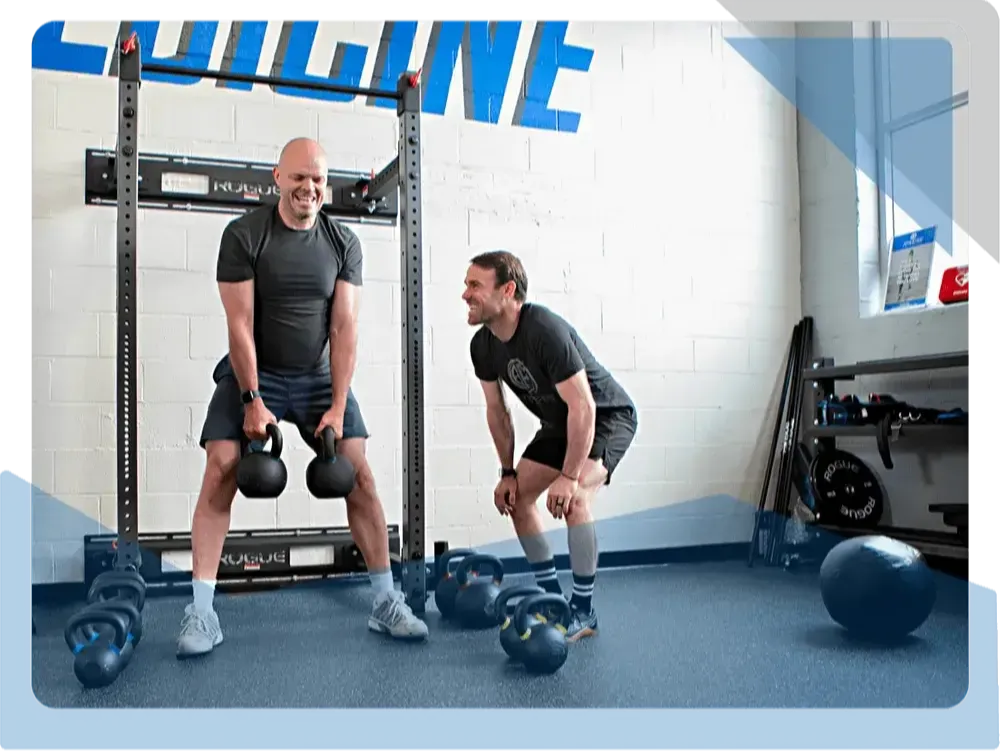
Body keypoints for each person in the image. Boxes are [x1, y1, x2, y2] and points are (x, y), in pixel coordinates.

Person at [177, 137, 428, 658]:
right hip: (257, 373)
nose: (309, 188)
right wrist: (251, 398)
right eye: (298, 178)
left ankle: (385, 600)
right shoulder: (245, 234)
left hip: (317, 377)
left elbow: (344, 327)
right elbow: (240, 324)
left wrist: (337, 406)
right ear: (277, 178)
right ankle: (201, 611)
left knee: (358, 474)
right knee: (222, 464)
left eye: (317, 179)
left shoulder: (342, 243)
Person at [463, 250, 638, 640]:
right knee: (517, 497)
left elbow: (584, 406)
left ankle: (583, 610)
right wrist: (507, 471)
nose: (465, 294)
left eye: (475, 285)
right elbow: (498, 411)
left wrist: (569, 476)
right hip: (560, 424)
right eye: (466, 285)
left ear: (507, 290)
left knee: (574, 500)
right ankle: (550, 597)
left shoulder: (543, 329)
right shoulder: (483, 346)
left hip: (606, 418)